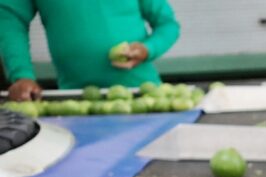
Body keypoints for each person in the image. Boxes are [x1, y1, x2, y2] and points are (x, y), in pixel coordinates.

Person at [0, 0, 180, 101]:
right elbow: (10, 20)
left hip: (144, 95)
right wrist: (21, 75)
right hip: (76, 101)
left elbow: (168, 24)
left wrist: (148, 49)